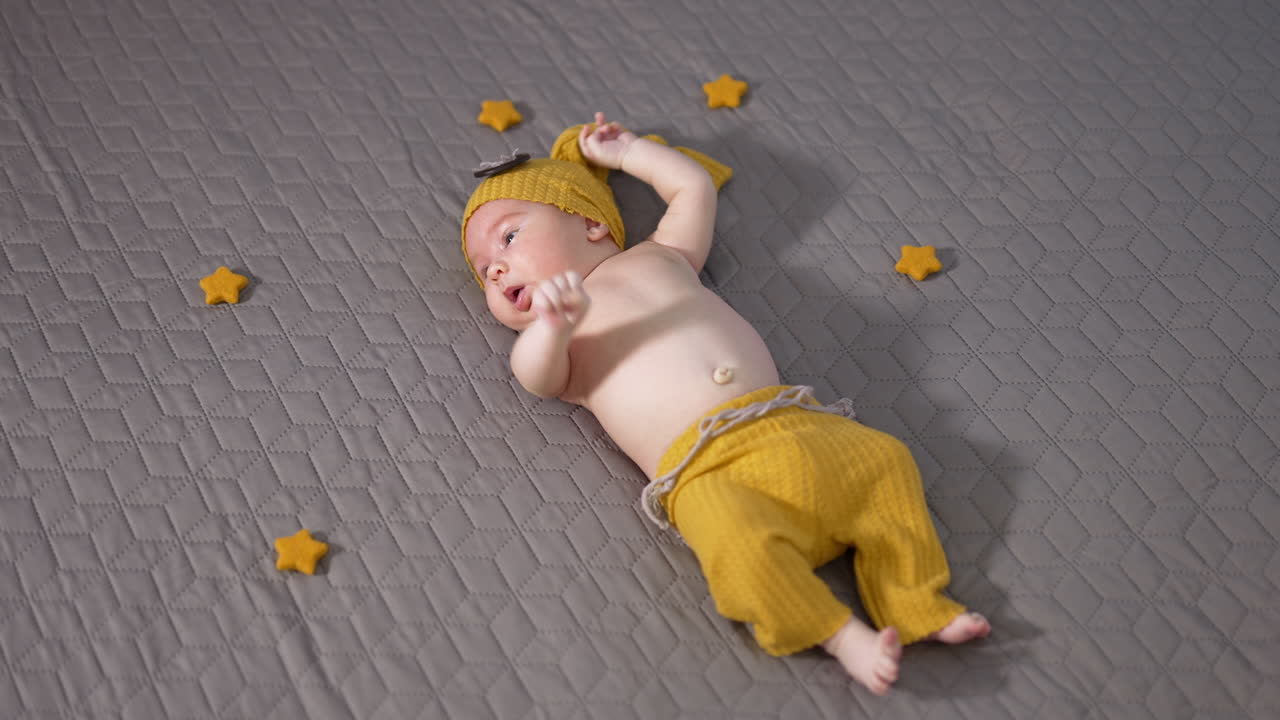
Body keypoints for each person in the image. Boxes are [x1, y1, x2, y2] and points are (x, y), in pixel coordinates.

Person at [460, 112, 991, 695]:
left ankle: (913, 601)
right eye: (484, 273)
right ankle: (839, 635)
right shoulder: (551, 340)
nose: (497, 268)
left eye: (508, 237)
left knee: (884, 462)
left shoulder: (661, 255)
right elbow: (536, 377)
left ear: (589, 223)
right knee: (735, 548)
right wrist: (555, 326)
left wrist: (627, 153)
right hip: (701, 470)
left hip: (787, 423)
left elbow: (692, 188)